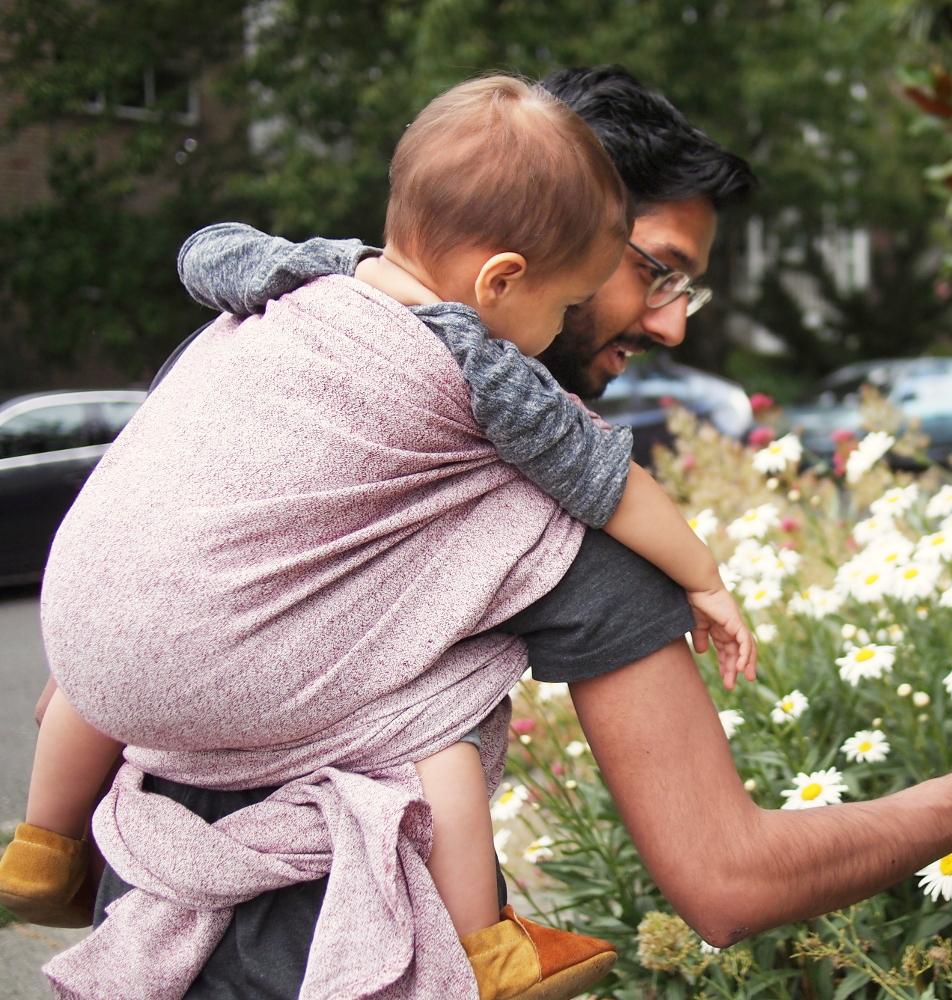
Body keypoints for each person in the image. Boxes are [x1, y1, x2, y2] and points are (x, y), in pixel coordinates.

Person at [146, 63, 952, 958]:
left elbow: (76, 681)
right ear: (542, 244)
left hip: (142, 937)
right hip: (373, 965)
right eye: (657, 273)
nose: (673, 327)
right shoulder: (574, 516)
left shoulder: (254, 354)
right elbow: (729, 879)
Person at [3, 74, 752, 1000]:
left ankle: (43, 851)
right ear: (502, 280)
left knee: (116, 662)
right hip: (264, 786)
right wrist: (706, 579)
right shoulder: (480, 365)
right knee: (438, 722)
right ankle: (490, 953)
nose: (562, 328)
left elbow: (208, 254)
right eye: (567, 306)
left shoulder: (291, 289)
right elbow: (609, 485)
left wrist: (108, 652)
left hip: (88, 639)